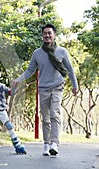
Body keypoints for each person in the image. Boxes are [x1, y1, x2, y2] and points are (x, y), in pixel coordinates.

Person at [12, 23, 78, 156]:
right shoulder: (37, 53)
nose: (47, 35)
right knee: (45, 118)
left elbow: (70, 70)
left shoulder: (62, 51)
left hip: (58, 87)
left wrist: (75, 85)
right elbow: (30, 70)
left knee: (55, 113)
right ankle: (46, 144)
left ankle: (55, 143)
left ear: (54, 35)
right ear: (42, 36)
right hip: (43, 89)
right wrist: (18, 79)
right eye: (45, 33)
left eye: (50, 33)